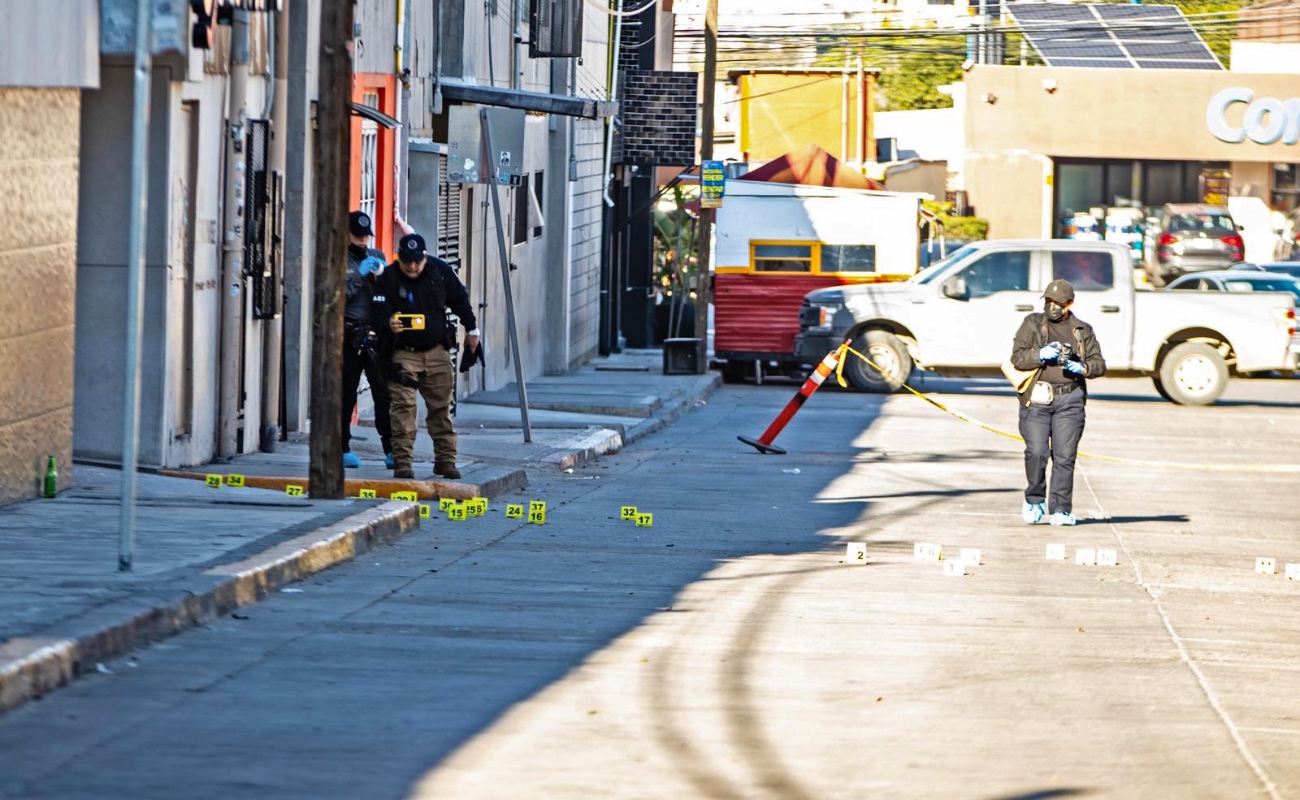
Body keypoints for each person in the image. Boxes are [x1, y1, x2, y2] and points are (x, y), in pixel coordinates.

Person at [372, 232, 479, 480]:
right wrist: (388, 323)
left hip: (437, 352)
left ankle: (445, 461)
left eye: (416, 261)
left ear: (425, 256)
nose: (411, 266)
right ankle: (403, 462)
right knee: (403, 408)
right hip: (403, 353)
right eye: (406, 261)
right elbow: (376, 313)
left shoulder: (439, 271)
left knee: (441, 409)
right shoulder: (389, 277)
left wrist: (472, 330)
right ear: (399, 258)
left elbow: (460, 299)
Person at [1008, 279, 1106, 527]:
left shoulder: (1082, 330)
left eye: (1058, 303)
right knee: (1037, 452)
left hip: (1069, 400)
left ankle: (1061, 509)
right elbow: (1017, 357)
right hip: (1038, 398)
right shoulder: (1032, 323)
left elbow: (1099, 364)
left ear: (1069, 303)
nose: (1052, 307)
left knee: (1064, 457)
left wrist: (1082, 367)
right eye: (1049, 301)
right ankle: (1034, 499)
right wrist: (1039, 354)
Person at [343, 210, 393, 469]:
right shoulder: (338, 260)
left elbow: (392, 292)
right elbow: (337, 296)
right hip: (349, 333)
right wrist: (358, 276)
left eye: (365, 236)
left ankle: (392, 449)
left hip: (376, 334)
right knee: (346, 393)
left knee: (384, 393)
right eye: (357, 236)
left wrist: (383, 276)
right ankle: (341, 448)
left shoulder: (377, 256)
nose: (362, 241)